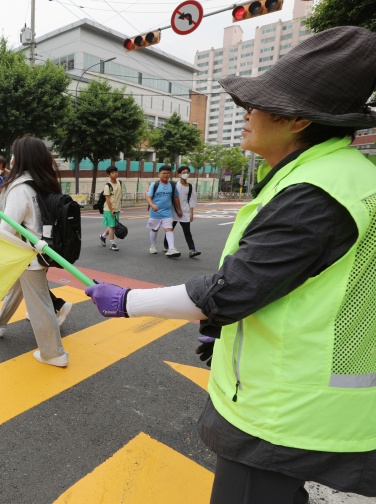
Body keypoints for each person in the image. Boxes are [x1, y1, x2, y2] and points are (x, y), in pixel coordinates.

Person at [84, 26, 376, 503]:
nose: (246, 113)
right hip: (320, 401)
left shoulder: (315, 193)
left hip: (284, 410)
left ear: (297, 120)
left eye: (256, 104)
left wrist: (127, 302)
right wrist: (221, 330)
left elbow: (232, 289)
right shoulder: (347, 176)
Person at [0, 136, 69, 367]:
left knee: (40, 304)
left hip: (26, 254)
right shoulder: (44, 182)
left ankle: (54, 353)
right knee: (17, 288)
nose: (11, 158)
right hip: (42, 249)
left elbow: (7, 227)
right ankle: (0, 323)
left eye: (13, 154)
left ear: (21, 158)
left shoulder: (20, 188)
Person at [145, 165, 182, 257]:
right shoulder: (155, 185)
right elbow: (148, 197)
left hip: (167, 212)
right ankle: (153, 246)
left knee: (169, 229)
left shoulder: (172, 185)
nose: (166, 175)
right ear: (159, 174)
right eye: (164, 173)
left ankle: (171, 248)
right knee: (154, 229)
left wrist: (179, 209)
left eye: (168, 173)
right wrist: (152, 205)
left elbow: (176, 197)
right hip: (155, 212)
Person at [164, 166, 200, 258]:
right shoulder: (174, 185)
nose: (186, 174)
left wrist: (191, 213)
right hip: (174, 211)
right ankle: (167, 246)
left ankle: (192, 250)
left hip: (185, 212)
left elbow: (192, 200)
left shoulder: (190, 187)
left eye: (187, 172)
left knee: (187, 231)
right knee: (170, 229)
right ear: (179, 174)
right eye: (183, 172)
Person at [99, 166, 123, 251]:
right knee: (112, 226)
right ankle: (113, 244)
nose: (115, 174)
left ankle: (103, 236)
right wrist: (112, 209)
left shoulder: (120, 183)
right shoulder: (107, 186)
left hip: (117, 208)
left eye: (116, 172)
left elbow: (119, 196)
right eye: (112, 172)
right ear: (109, 175)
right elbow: (107, 199)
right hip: (109, 209)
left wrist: (117, 208)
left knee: (112, 225)